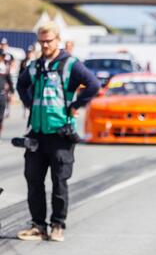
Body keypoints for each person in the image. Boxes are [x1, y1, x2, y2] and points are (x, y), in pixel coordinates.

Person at [15, 22, 100, 242]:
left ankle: (57, 225)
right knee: (34, 182)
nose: (45, 45)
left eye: (49, 41)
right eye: (42, 41)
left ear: (57, 40)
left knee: (59, 182)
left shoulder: (70, 64)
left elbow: (93, 84)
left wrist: (75, 106)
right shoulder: (34, 66)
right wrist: (28, 104)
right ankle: (38, 226)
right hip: (36, 134)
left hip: (60, 134)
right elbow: (21, 85)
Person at [0, 51, 15, 137]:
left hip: (2, 95)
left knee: (1, 117)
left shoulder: (5, 67)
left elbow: (9, 80)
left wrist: (12, 92)